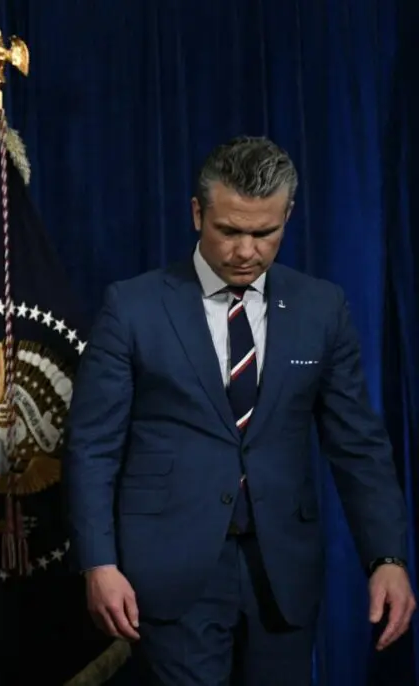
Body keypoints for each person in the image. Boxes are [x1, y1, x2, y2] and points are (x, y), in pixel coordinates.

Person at [63, 136, 414, 684]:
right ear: (197, 213)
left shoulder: (322, 308)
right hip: (170, 570)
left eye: (264, 233)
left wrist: (387, 558)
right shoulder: (132, 308)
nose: (245, 251)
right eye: (229, 231)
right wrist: (98, 563)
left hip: (284, 575)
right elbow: (92, 448)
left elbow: (358, 446)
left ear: (288, 217)